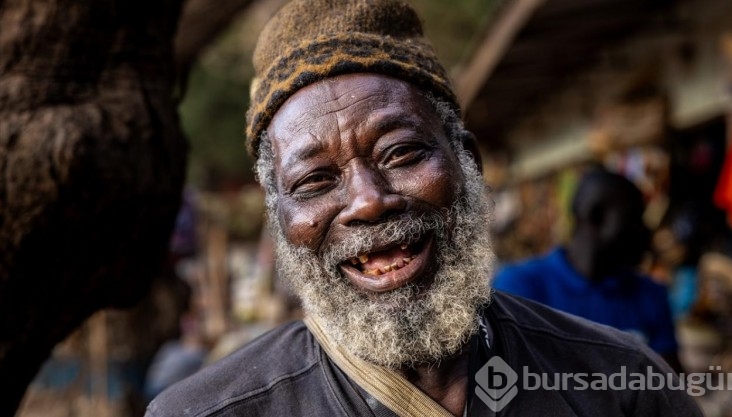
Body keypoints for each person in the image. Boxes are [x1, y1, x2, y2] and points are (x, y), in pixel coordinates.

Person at [147, 1, 702, 415]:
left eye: (401, 152)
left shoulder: (623, 383)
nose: (367, 201)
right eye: (315, 181)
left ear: (468, 164)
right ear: (282, 220)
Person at [494, 169, 681, 368]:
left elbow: (669, 385)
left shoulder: (650, 294)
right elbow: (499, 382)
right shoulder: (518, 289)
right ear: (596, 216)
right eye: (634, 218)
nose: (643, 231)